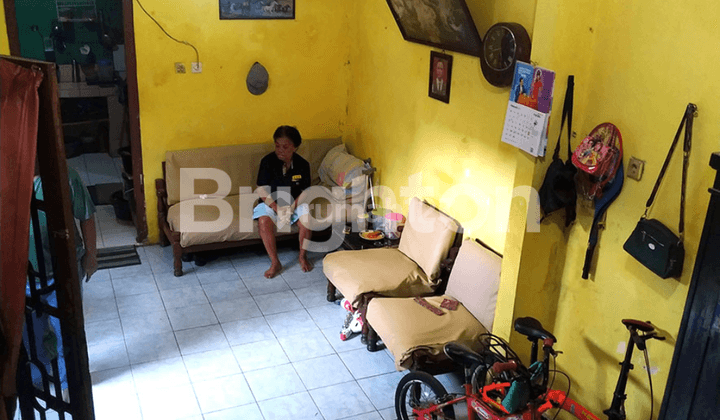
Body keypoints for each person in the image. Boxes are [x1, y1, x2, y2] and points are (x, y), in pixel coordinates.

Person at [23, 166, 97, 398]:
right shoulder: (9, 178)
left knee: (66, 327)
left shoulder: (65, 175)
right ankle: (39, 377)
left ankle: (68, 380)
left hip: (63, 270)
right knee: (30, 333)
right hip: (23, 276)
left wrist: (91, 256)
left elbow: (86, 216)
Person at [254, 125, 313, 278]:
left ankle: (302, 256)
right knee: (263, 221)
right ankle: (275, 262)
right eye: (277, 146)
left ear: (295, 147)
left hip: (295, 203)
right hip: (271, 202)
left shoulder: (302, 164)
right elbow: (261, 189)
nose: (280, 150)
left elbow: (306, 192)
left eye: (285, 147)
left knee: (307, 219)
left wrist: (292, 208)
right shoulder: (267, 161)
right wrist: (277, 208)